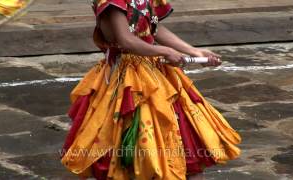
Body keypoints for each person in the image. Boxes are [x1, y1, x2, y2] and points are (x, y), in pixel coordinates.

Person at [60, 0, 241, 179]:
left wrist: (194, 51)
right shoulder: (113, 2)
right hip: (127, 77)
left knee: (182, 139)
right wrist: (165, 51)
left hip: (154, 72)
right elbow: (126, 40)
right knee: (137, 147)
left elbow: (154, 28)